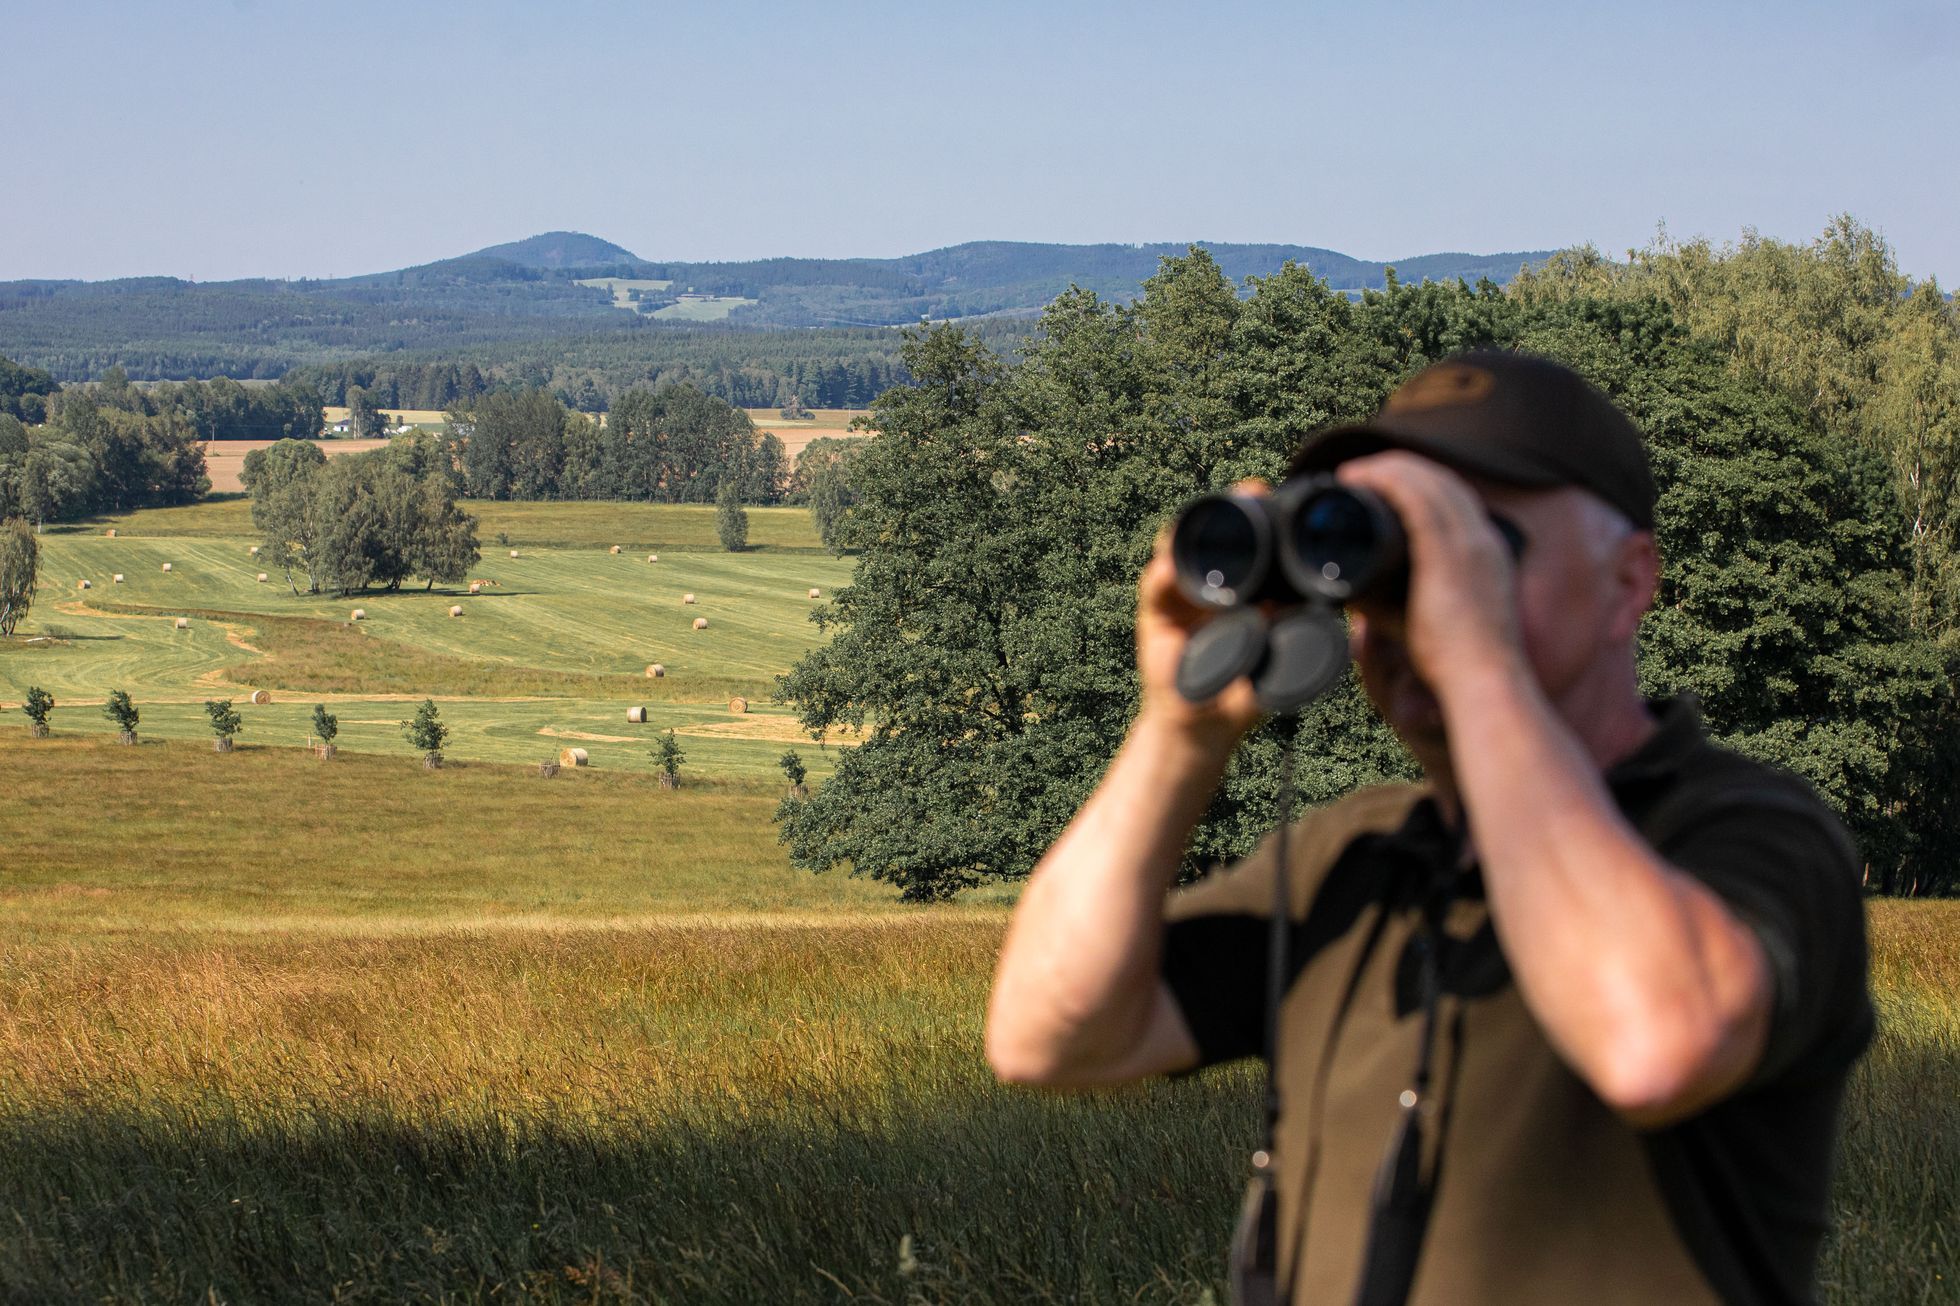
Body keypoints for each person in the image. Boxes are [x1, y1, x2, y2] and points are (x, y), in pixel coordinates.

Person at [984, 351, 1872, 1305]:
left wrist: (1478, 661)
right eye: (1394, 556)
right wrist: (1178, 730)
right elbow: (1049, 1033)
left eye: (1480, 546)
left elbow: (1654, 1044)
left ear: (1628, 583)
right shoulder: (1353, 852)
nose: (1418, 603)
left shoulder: (1749, 833)